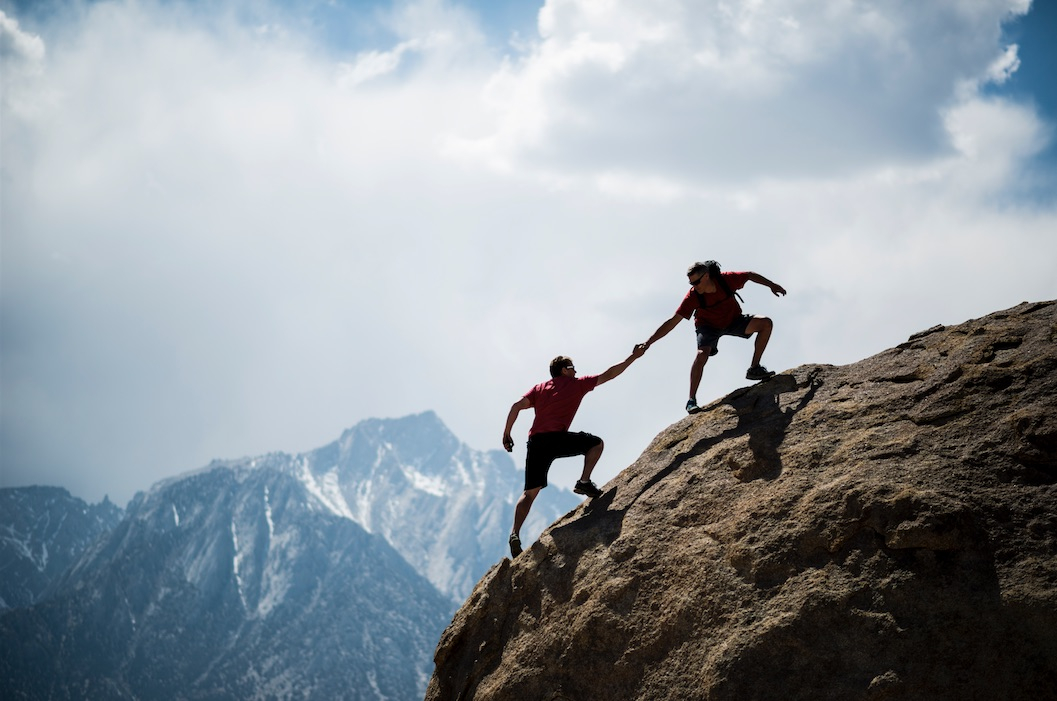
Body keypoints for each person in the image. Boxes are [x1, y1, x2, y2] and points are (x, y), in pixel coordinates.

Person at [502, 346, 644, 558]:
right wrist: (633, 356)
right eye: (572, 367)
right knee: (595, 444)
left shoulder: (539, 388)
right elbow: (610, 374)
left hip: (536, 441)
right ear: (564, 370)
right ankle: (584, 481)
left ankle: (515, 533)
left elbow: (515, 406)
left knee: (529, 492)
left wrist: (507, 434)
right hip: (557, 439)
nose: (576, 371)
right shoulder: (577, 384)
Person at [637, 260, 786, 414]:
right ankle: (691, 400)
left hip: (734, 320)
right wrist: (648, 343)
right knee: (702, 354)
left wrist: (772, 285)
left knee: (765, 323)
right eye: (691, 283)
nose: (694, 286)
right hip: (708, 327)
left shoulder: (725, 280)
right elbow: (672, 322)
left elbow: (749, 275)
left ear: (707, 276)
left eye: (697, 282)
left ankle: (754, 368)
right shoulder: (693, 296)